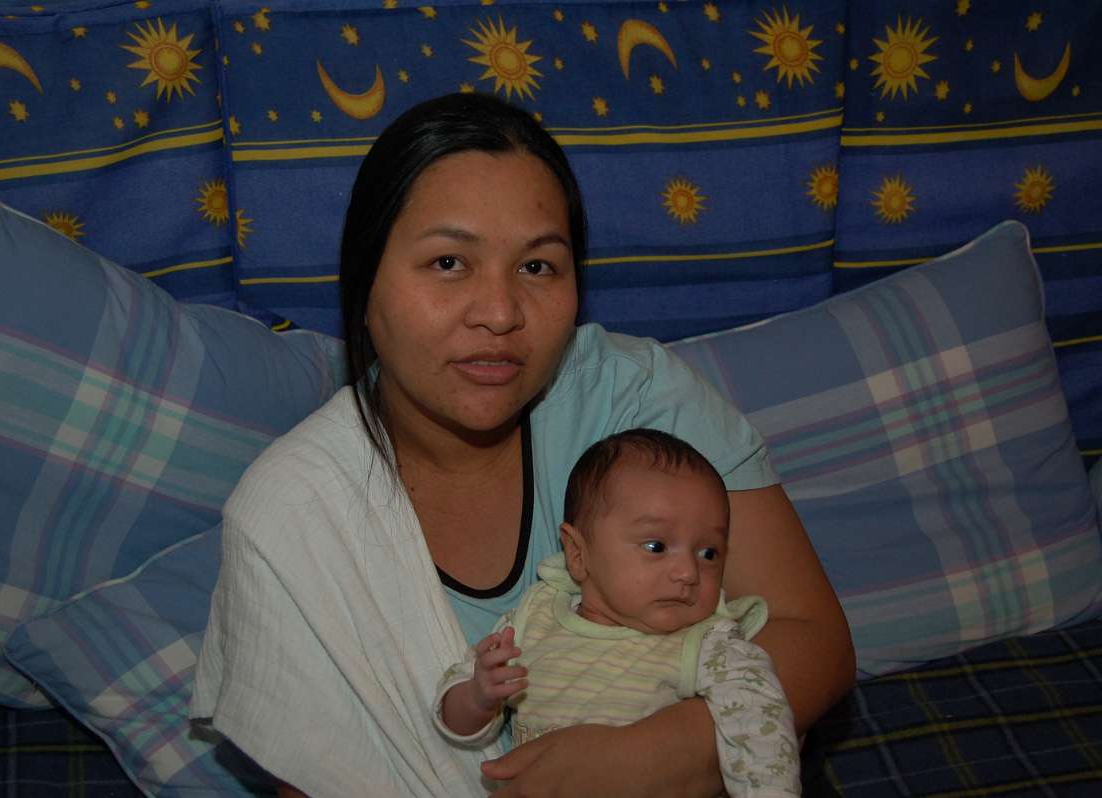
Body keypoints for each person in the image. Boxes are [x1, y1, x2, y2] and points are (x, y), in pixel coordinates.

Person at [190, 92, 854, 798]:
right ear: (366, 281)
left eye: (537, 267)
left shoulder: (637, 403)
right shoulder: (296, 513)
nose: (501, 313)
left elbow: (810, 633)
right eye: (449, 262)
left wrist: (659, 754)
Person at [434, 428, 800, 798]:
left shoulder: (709, 642)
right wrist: (477, 697)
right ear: (578, 553)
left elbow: (761, 727)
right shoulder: (536, 617)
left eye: (709, 553)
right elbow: (454, 717)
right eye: (657, 547)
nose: (689, 572)